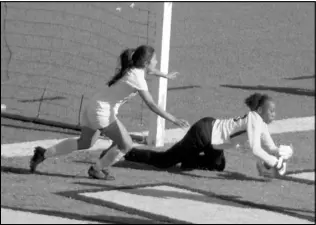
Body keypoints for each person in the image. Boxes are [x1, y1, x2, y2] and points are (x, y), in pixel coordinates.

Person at [29, 45, 189, 180]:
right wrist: (174, 119)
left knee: (85, 143)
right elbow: (152, 105)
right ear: (146, 63)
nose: (157, 61)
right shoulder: (138, 78)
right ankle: (97, 169)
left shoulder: (133, 68)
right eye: (154, 60)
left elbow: (150, 71)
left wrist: (164, 75)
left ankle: (44, 153)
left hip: (93, 106)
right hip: (102, 113)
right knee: (126, 144)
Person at [121, 93, 293, 174]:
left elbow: (268, 146)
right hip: (203, 133)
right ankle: (126, 152)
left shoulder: (260, 122)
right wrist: (275, 164)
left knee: (217, 165)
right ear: (261, 109)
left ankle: (188, 161)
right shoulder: (255, 120)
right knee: (164, 160)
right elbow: (256, 149)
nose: (274, 115)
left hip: (213, 137)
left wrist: (279, 152)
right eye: (271, 111)